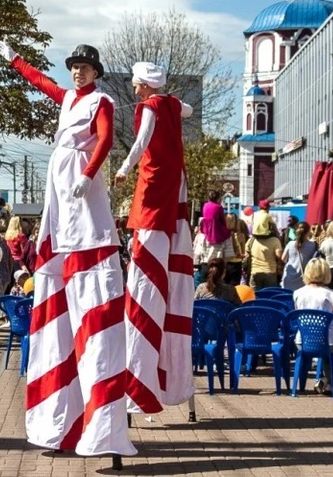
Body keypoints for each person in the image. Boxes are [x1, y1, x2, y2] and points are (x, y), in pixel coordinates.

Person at [0, 39, 135, 457]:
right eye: (75, 67)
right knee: (55, 250)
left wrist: (90, 174)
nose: (78, 73)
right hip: (59, 192)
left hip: (82, 190)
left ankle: (98, 427)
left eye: (85, 68)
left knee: (86, 244)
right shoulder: (69, 97)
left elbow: (107, 140)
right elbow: (42, 83)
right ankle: (57, 424)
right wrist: (15, 60)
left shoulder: (102, 102)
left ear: (96, 72)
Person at [112, 61, 196, 416]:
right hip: (174, 194)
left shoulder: (150, 107)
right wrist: (172, 99)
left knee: (146, 285)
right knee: (168, 277)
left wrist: (122, 169)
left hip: (153, 196)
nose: (134, 91)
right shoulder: (173, 105)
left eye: (136, 85)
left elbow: (142, 140)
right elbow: (186, 108)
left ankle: (140, 384)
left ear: (145, 86)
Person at [292, 258, 333, 394]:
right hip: (328, 342)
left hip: (303, 341)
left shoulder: (297, 293)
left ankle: (305, 383)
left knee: (328, 349)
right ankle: (329, 380)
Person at [280, 222, 315, 291]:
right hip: (303, 280)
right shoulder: (312, 245)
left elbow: (283, 259)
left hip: (288, 278)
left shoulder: (290, 244)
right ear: (308, 232)